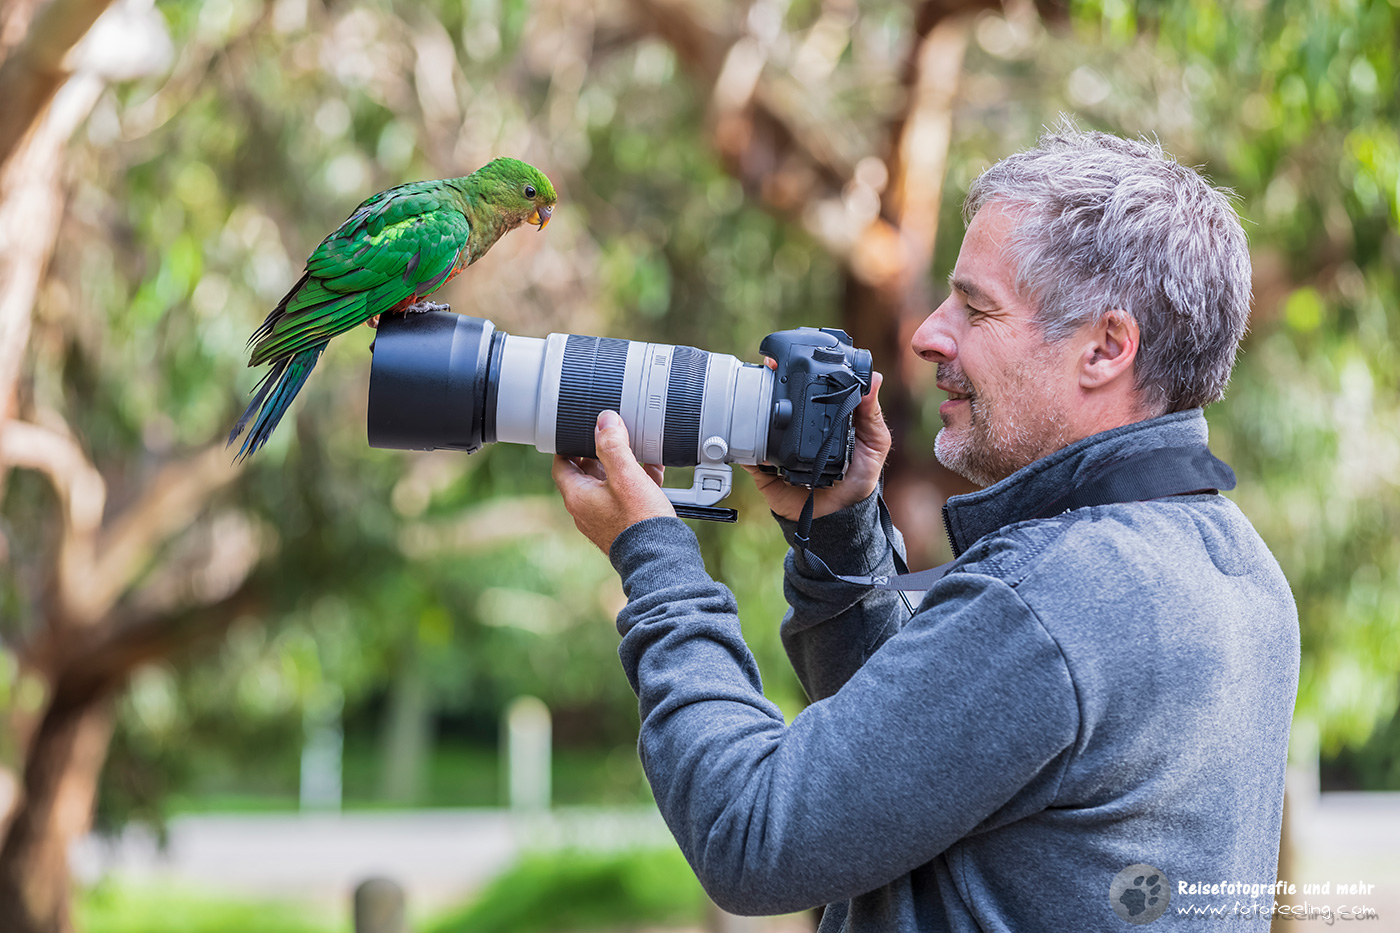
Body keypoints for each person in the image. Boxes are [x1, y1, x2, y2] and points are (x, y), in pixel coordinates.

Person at [553, 123, 1300, 931]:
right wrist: (840, 528)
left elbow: (752, 834)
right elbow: (918, 768)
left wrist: (655, 556)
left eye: (976, 309)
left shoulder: (1057, 596)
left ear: (1105, 348)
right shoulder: (1234, 565)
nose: (926, 333)